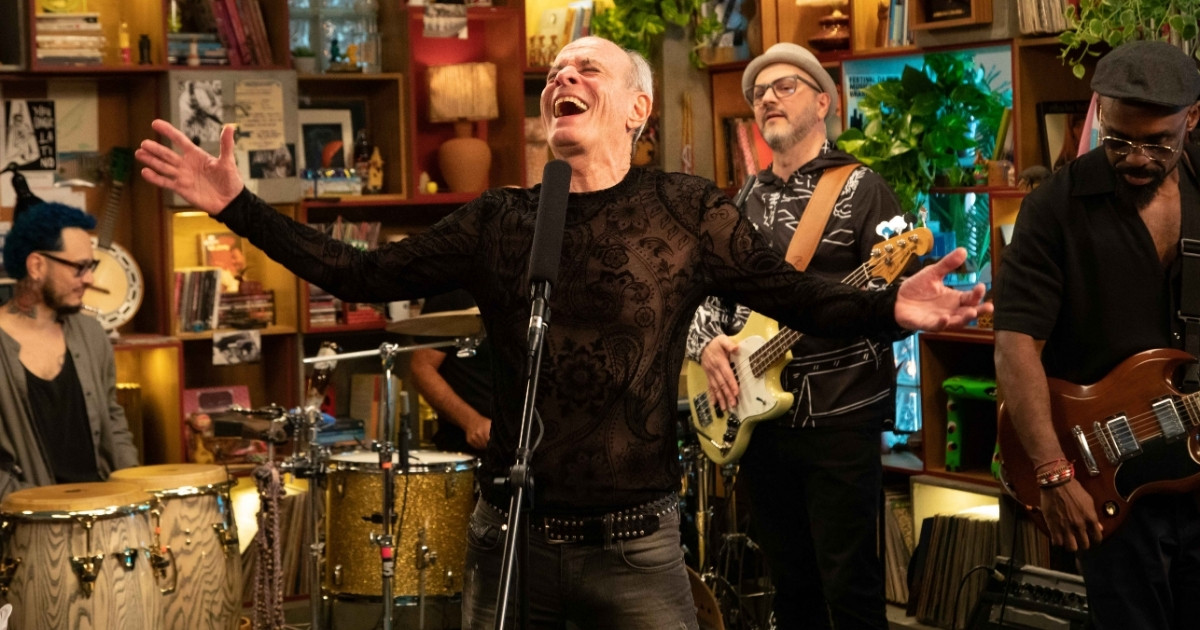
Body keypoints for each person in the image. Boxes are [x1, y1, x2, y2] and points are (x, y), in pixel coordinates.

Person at [137, 35, 989, 630]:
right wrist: (237, 207)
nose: (561, 77)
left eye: (587, 67)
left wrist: (893, 308)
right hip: (510, 537)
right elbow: (361, 277)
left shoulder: (685, 210)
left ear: (636, 108)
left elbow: (797, 297)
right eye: (555, 72)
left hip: (639, 545)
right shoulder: (502, 219)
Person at [686, 42, 906, 630]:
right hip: (762, 423)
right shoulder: (744, 197)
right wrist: (706, 343)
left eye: (784, 86)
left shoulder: (864, 190)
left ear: (823, 102)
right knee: (791, 590)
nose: (767, 98)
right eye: (759, 93)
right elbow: (708, 289)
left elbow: (895, 305)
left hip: (839, 418)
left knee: (852, 591)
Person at [993, 40, 1200, 630]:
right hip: (1106, 475)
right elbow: (1015, 346)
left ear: (1193, 118)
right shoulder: (1054, 208)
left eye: (1157, 142)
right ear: (1100, 113)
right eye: (1118, 139)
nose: (1135, 157)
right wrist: (1055, 473)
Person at [0, 202, 139, 500]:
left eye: (91, 267)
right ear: (37, 266)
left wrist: (134, 493)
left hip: (104, 516)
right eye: (79, 267)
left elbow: (114, 424)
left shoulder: (92, 335)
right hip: (27, 527)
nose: (89, 279)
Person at [410, 290, 493, 456]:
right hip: (469, 446)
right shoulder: (454, 293)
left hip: (525, 438)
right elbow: (422, 368)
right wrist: (472, 421)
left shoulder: (533, 290)